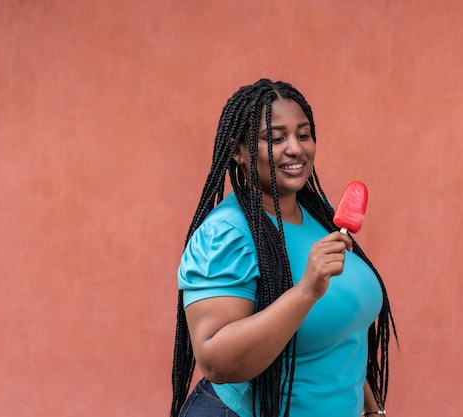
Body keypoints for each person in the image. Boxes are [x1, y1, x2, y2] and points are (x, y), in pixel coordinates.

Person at [170, 79, 396, 417]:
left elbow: (340, 330)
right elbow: (217, 363)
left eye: (303, 135)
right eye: (275, 138)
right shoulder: (225, 234)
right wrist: (306, 291)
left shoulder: (318, 213)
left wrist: (372, 408)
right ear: (238, 151)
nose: (295, 148)